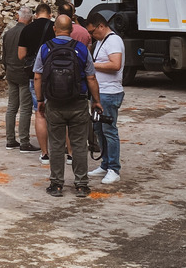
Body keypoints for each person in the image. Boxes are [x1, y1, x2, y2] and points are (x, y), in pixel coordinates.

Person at [33, 15, 101, 198]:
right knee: (79, 144)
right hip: (77, 102)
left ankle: (56, 185)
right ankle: (81, 185)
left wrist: (40, 100)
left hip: (54, 103)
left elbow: (37, 77)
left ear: (54, 29)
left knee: (56, 144)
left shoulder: (45, 48)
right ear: (71, 30)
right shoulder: (81, 49)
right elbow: (91, 78)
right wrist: (96, 101)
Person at [86, 13, 124, 185]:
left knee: (109, 130)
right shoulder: (101, 41)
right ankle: (105, 163)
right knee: (99, 130)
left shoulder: (114, 41)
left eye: (93, 31)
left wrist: (92, 66)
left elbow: (115, 65)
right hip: (99, 93)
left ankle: (114, 169)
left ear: (101, 26)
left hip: (110, 93)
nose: (92, 35)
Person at [17, 3, 55, 160]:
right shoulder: (55, 27)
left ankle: (44, 153)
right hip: (56, 75)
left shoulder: (27, 29)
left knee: (40, 114)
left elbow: (21, 55)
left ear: (36, 14)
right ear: (50, 13)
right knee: (57, 112)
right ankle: (63, 150)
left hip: (35, 76)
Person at [1, 7, 36, 151]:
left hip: (11, 72)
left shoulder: (8, 33)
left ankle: (10, 139)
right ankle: (24, 141)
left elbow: (3, 55)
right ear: (31, 19)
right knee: (25, 108)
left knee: (12, 107)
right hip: (23, 73)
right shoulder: (28, 33)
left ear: (18, 17)